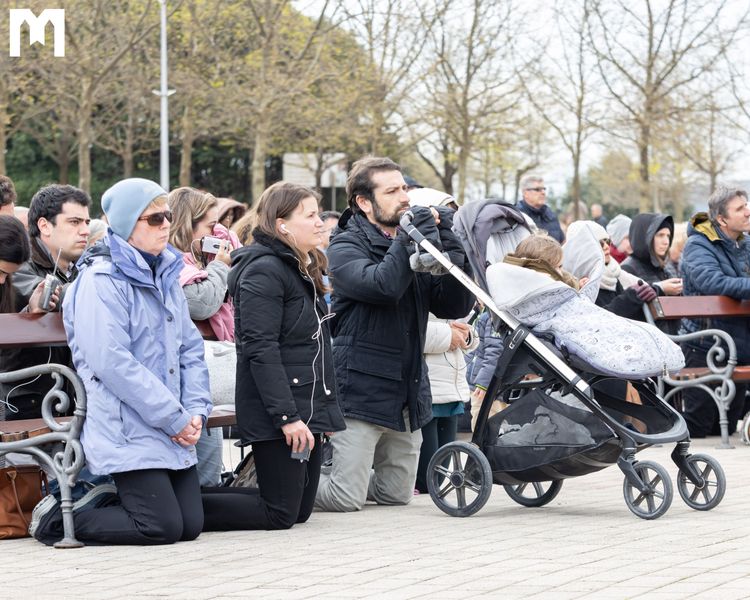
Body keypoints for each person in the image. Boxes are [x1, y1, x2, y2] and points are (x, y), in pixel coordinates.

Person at [30, 177, 211, 546]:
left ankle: (106, 499)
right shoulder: (100, 280)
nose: (166, 225)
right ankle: (56, 518)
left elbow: (191, 350)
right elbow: (111, 362)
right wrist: (174, 417)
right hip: (126, 423)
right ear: (128, 223)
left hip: (170, 420)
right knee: (161, 527)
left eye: (169, 216)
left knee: (190, 525)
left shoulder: (166, 273)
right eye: (155, 218)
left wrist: (195, 410)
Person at [314, 156, 474, 512]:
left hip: (407, 391)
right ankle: (282, 481)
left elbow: (453, 304)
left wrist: (449, 241)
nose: (405, 197)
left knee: (396, 494)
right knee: (345, 499)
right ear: (363, 202)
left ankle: (350, 478)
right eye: (391, 191)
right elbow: (384, 286)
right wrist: (407, 237)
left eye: (404, 188)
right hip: (360, 391)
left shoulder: (414, 241)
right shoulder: (344, 246)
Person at [201, 181, 346, 531]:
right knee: (279, 512)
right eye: (309, 216)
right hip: (277, 410)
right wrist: (287, 417)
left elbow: (313, 347)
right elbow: (260, 348)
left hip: (306, 406)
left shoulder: (300, 266)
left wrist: (321, 413)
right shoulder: (263, 269)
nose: (320, 223)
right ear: (282, 225)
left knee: (299, 512)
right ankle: (181, 505)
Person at [168, 186, 240, 487]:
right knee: (202, 454)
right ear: (188, 224)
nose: (215, 231)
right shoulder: (172, 263)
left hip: (206, 373)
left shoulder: (199, 261)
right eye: (210, 226)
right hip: (184, 377)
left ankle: (206, 496)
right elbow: (201, 304)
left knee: (209, 459)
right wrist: (220, 267)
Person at [2, 184, 90, 420]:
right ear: (44, 226)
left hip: (70, 403)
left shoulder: (83, 269)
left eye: (87, 222)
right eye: (74, 222)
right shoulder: (17, 262)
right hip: (27, 404)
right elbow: (46, 295)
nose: (85, 231)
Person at [680, 185, 750, 437]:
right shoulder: (698, 245)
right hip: (706, 345)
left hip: (738, 345)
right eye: (740, 209)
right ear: (722, 219)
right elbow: (712, 282)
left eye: (746, 205)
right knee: (699, 429)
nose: (747, 212)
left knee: (726, 428)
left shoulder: (745, 243)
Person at [0, 216, 61, 423]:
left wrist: (31, 310)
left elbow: (7, 355)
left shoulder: (6, 288)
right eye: (1, 271)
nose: (2, 281)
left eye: (8, 275)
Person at [564, 220, 656, 319]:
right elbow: (596, 320)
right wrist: (629, 298)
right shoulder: (574, 285)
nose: (606, 247)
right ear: (583, 248)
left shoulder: (612, 273)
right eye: (600, 243)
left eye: (607, 241)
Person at [621, 213, 682, 334]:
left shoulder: (666, 266)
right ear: (644, 236)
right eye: (660, 235)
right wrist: (660, 289)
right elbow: (627, 310)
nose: (666, 242)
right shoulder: (627, 268)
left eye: (668, 236)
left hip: (673, 338)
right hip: (646, 338)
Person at [516, 175, 564, 243]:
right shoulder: (517, 216)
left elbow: (562, 241)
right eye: (537, 189)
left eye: (544, 189)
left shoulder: (551, 215)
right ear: (525, 193)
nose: (543, 192)